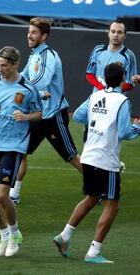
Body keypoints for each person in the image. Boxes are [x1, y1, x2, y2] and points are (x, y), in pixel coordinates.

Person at [53, 63, 140, 264]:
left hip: (89, 156)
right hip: (106, 159)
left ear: (104, 78)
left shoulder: (95, 95)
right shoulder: (122, 101)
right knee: (112, 205)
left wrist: (98, 120)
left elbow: (79, 116)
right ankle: (93, 252)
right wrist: (137, 128)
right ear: (123, 78)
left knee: (92, 197)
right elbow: (126, 132)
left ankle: (64, 236)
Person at [0, 46, 42, 257]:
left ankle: (15, 233)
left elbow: (39, 113)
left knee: (2, 194)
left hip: (13, 146)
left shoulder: (28, 88)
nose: (0, 69)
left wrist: (26, 117)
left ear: (15, 64)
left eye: (4, 65)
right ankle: (3, 237)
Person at [10, 17, 82, 204]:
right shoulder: (34, 55)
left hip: (53, 116)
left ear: (44, 36)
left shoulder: (48, 55)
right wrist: (10, 86)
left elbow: (41, 81)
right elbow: (23, 77)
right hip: (37, 116)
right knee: (21, 151)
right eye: (28, 31)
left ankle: (100, 185)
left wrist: (22, 92)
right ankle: (14, 194)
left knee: (71, 156)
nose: (29, 35)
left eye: (34, 32)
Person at [86, 19, 137, 94]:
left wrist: (111, 90)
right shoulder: (98, 50)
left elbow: (130, 83)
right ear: (108, 33)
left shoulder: (129, 56)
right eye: (113, 31)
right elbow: (89, 73)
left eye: (119, 32)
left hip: (116, 102)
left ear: (125, 36)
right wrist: (100, 87)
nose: (116, 35)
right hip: (96, 98)